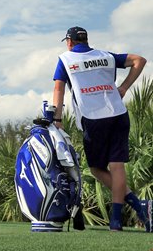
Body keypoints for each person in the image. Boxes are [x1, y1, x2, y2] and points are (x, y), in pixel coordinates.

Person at [52, 26, 151, 232]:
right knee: (117, 166)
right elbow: (139, 60)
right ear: (86, 41)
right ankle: (117, 220)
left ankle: (136, 204)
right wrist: (124, 88)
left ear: (69, 42)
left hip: (94, 117)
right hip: (118, 113)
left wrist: (57, 118)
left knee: (97, 169)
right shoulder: (106, 56)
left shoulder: (66, 59)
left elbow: (58, 88)